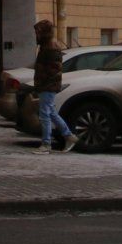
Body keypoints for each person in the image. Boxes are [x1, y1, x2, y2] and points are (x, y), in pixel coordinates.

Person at [32, 18, 73, 153]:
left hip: (48, 86)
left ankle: (46, 144)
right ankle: (69, 136)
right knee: (52, 113)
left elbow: (51, 70)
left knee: (45, 115)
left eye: (38, 33)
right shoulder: (47, 46)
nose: (36, 36)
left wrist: (40, 83)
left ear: (44, 33)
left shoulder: (50, 48)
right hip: (47, 85)